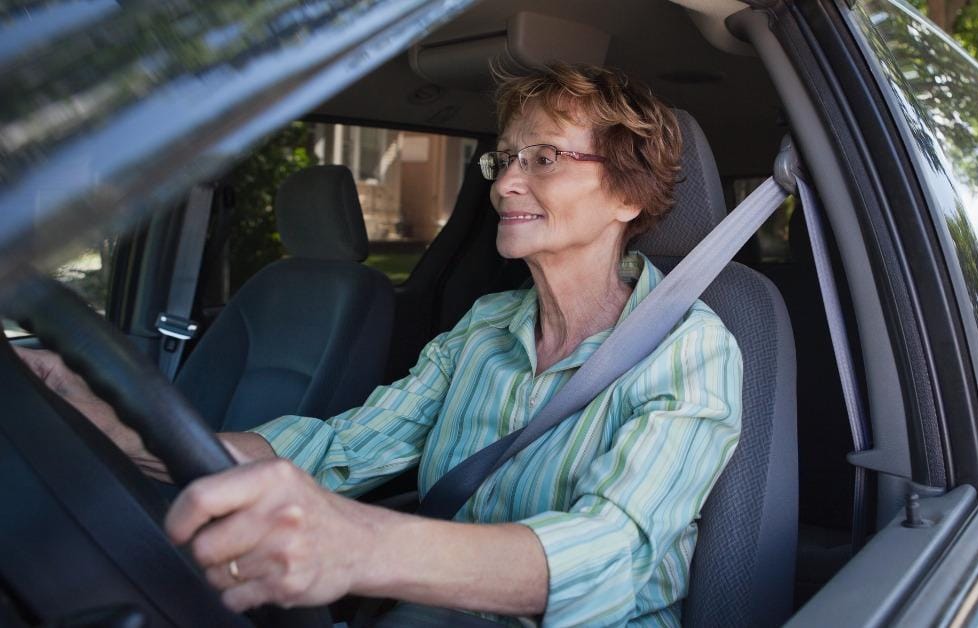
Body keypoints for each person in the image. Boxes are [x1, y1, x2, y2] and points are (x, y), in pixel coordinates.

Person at [17, 63, 743, 626]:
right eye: (504, 159)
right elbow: (337, 448)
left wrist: (359, 547)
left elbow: (611, 552)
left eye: (544, 158)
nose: (505, 183)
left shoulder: (692, 351)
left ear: (629, 194)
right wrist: (104, 421)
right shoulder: (485, 328)